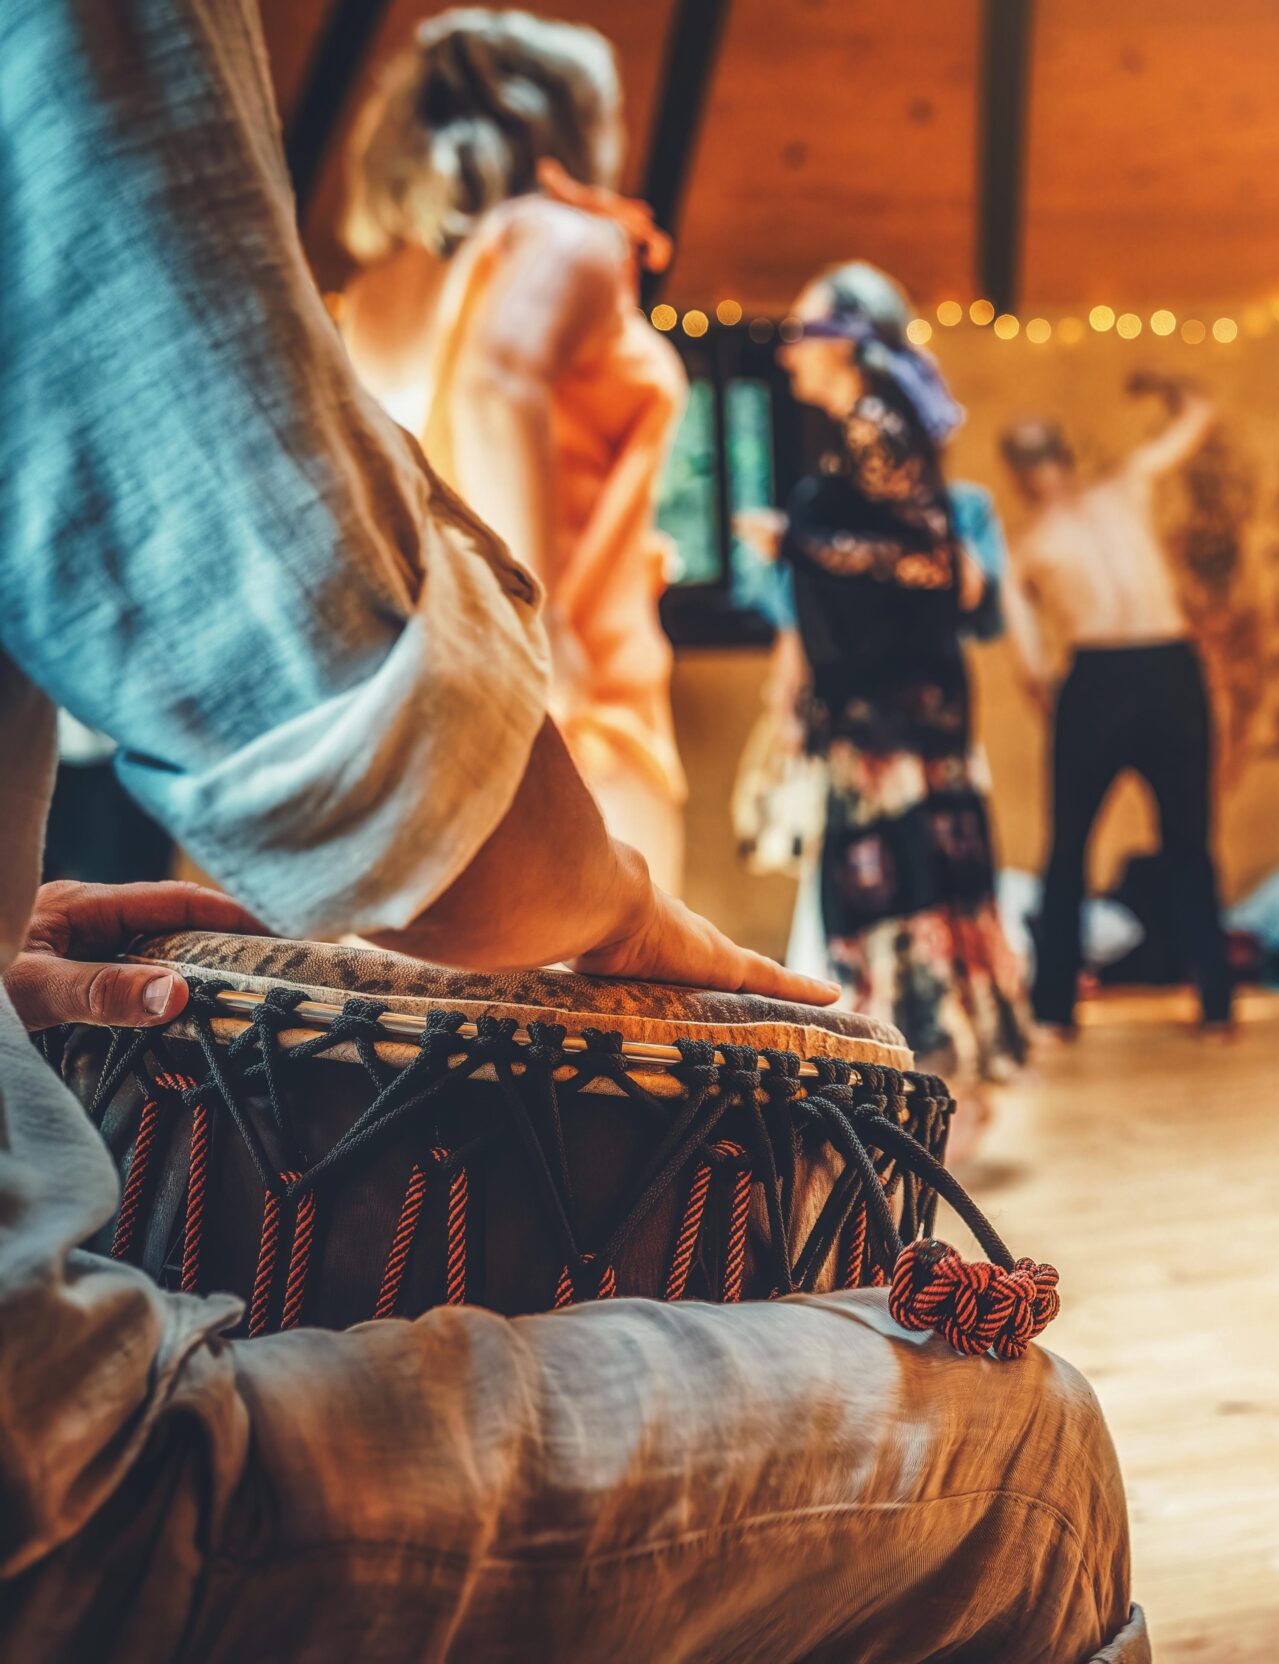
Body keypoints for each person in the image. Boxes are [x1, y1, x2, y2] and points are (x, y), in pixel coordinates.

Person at [0, 5, 1144, 1657]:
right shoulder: (562, 240)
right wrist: (574, 862)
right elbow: (303, 602)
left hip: (523, 756)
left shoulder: (419, 273)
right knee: (1034, 1455)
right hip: (57, 1498)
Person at [336, 10, 690, 891]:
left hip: (425, 703)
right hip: (574, 703)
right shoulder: (566, 236)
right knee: (633, 1012)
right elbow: (497, 386)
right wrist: (545, 640)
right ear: (568, 123)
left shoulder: (379, 289)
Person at [738, 262, 1030, 1155]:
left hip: (899, 727)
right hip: (888, 721)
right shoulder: (874, 433)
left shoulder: (878, 427)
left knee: (909, 901)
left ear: (848, 343)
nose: (789, 357)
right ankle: (923, 1099)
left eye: (801, 334)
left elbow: (932, 562)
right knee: (906, 903)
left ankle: (936, 1101)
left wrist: (797, 538)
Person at [1000, 374, 1234, 1038]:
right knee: (1186, 841)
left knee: (1070, 850)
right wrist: (1159, 380)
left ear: (1017, 475)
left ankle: (1054, 1010)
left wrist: (1063, 707)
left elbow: (1028, 663)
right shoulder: (1124, 487)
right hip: (1166, 668)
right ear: (1064, 456)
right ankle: (1213, 1002)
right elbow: (1199, 409)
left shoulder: (1029, 542)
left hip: (1101, 678)